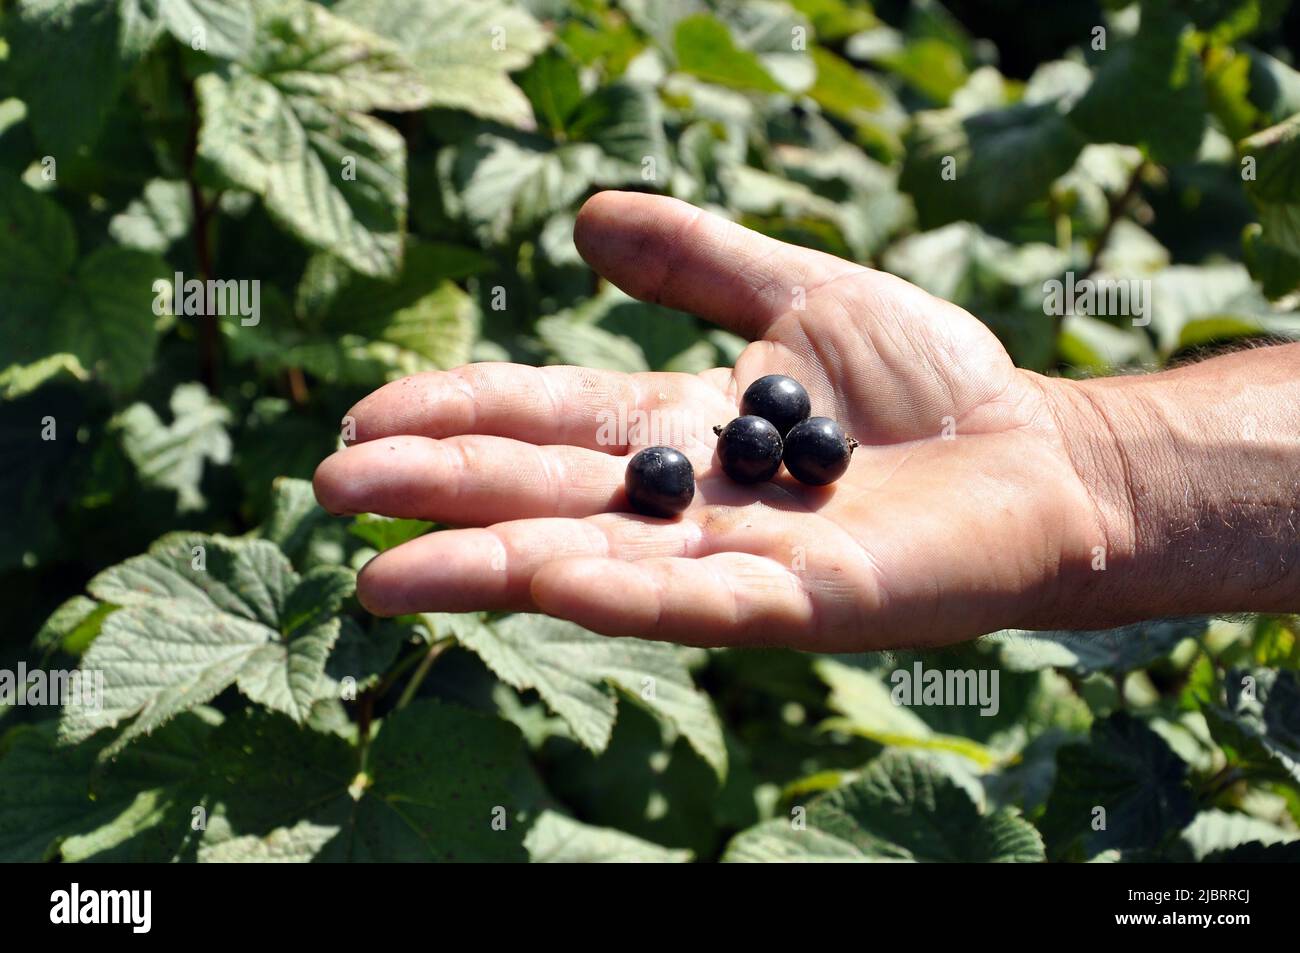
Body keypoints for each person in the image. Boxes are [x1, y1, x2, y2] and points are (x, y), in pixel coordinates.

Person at [313, 191, 1299, 651]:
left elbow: (786, 444)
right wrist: (1095, 463)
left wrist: (1092, 469)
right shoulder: (758, 445)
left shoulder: (784, 442)